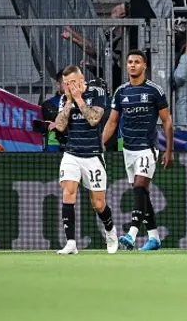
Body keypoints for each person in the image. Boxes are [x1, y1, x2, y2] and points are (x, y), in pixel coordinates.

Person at [102, 49, 174, 251]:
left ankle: (132, 234)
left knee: (140, 186)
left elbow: (167, 121)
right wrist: (100, 144)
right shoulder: (121, 91)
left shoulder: (154, 90)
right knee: (141, 192)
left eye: (137, 62)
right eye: (130, 62)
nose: (132, 65)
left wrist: (169, 150)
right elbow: (112, 122)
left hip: (147, 147)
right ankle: (154, 237)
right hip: (128, 149)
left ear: (144, 66)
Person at [54, 65, 117, 255]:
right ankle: (71, 243)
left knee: (98, 204)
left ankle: (110, 230)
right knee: (68, 191)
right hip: (71, 153)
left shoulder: (97, 92)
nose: (68, 87)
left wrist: (79, 99)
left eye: (71, 82)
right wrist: (68, 102)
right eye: (65, 84)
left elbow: (94, 119)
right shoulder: (65, 98)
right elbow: (59, 125)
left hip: (93, 155)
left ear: (81, 80)